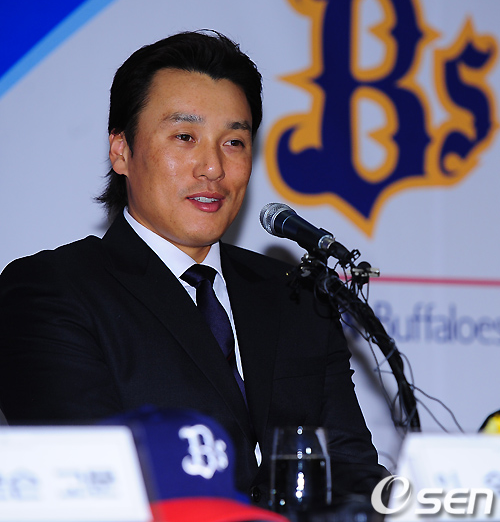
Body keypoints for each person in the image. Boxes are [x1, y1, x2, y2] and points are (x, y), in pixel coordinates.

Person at [0, 30, 386, 505]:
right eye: (185, 137)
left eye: (234, 142)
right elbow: (90, 487)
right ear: (121, 151)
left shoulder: (296, 295)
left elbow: (350, 470)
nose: (213, 168)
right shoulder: (49, 291)